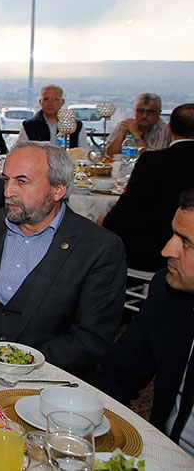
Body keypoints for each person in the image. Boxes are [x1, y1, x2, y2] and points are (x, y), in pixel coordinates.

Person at [0, 143, 126, 377]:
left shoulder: (99, 248)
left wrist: (24, 364)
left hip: (45, 374)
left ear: (58, 190)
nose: (8, 192)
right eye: (6, 180)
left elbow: (91, 338)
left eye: (22, 181)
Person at [94, 190, 194, 454]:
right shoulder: (168, 294)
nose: (166, 250)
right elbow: (116, 375)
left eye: (186, 243)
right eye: (173, 234)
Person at [102, 103, 194, 272]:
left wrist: (105, 222)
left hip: (148, 253)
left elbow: (127, 209)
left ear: (169, 128)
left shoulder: (153, 161)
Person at [103, 92, 172, 156]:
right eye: (140, 111)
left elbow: (153, 158)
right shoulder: (125, 125)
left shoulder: (164, 130)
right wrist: (122, 132)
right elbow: (108, 154)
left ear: (159, 113)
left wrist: (135, 133)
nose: (144, 115)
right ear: (134, 111)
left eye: (150, 111)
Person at [19, 85, 86, 148]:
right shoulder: (28, 125)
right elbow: (21, 151)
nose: (50, 103)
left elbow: (84, 151)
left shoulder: (76, 125)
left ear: (62, 102)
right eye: (46, 99)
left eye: (54, 99)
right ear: (40, 102)